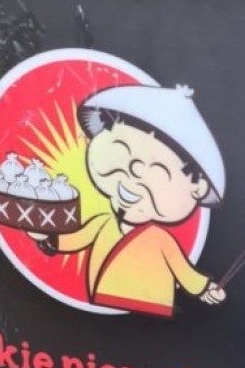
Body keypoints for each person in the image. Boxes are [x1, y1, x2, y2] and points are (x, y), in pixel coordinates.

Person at [32, 82, 227, 317]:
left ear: (197, 187)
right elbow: (75, 239)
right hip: (95, 311)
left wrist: (205, 289)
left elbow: (184, 271)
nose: (134, 171)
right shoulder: (103, 222)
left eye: (156, 168)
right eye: (121, 149)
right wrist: (47, 238)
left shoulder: (160, 240)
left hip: (147, 315)